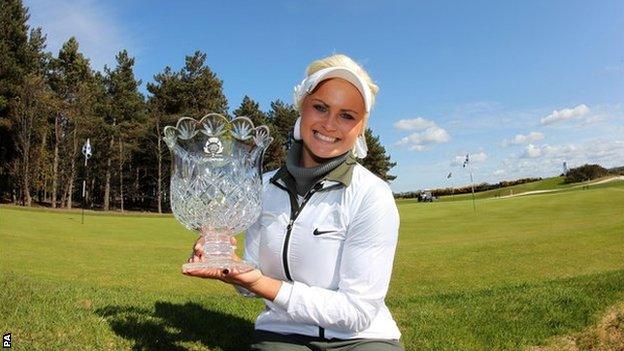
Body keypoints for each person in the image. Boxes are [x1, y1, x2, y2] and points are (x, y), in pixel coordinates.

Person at [183, 54, 403, 351]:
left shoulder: (371, 194)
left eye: (347, 115)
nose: (329, 124)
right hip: (281, 333)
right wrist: (228, 264)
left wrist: (263, 285)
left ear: (361, 127)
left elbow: (357, 311)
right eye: (320, 107)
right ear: (302, 108)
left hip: (362, 338)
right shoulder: (261, 186)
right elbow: (249, 284)